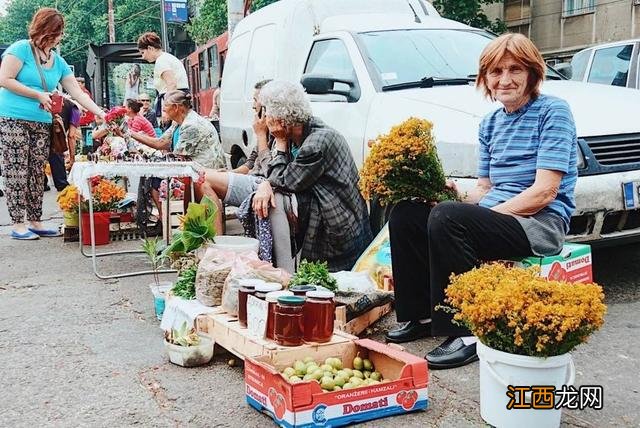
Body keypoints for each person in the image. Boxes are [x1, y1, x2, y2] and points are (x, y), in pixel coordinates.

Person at [384, 33, 578, 370]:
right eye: (496, 72)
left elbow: (545, 191)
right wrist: (450, 194)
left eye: (515, 70)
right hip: (500, 216)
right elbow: (485, 188)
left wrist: (480, 215)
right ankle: (422, 314)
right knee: (407, 212)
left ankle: (469, 332)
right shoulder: (490, 123)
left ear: (532, 73)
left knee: (449, 219)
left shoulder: (554, 111)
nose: (505, 80)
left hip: (539, 223)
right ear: (485, 79)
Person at [0, 7, 106, 240]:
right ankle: (18, 224)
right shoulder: (20, 49)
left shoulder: (57, 61)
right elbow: (4, 80)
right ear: (42, 30)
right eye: (54, 33)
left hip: (42, 120)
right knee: (16, 169)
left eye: (59, 33)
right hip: (13, 117)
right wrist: (37, 95)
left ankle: (35, 220)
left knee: (37, 172)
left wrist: (100, 113)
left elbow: (76, 92)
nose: (58, 37)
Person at [251, 80, 373, 272]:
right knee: (265, 194)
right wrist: (267, 182)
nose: (265, 119)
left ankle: (286, 276)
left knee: (278, 200)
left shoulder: (316, 143)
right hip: (328, 212)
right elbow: (274, 176)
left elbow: (284, 181)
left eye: (267, 113)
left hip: (341, 228)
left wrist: (280, 142)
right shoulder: (300, 133)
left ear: (281, 120)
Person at [130, 90, 225, 224]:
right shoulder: (178, 123)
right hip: (190, 167)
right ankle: (168, 222)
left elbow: (177, 157)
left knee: (156, 179)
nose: (163, 110)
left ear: (176, 107)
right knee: (152, 177)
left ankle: (175, 221)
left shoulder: (191, 125)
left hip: (205, 171)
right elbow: (161, 143)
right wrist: (130, 134)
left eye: (166, 106)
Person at [137, 32, 189, 119]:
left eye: (143, 52)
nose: (143, 57)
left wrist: (167, 110)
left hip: (174, 102)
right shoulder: (168, 57)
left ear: (150, 48)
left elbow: (172, 84)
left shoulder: (161, 61)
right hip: (178, 101)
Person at [48, 98, 80, 191]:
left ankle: (42, 183)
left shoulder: (57, 100)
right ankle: (61, 184)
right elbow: (71, 136)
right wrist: (72, 158)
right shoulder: (75, 110)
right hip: (55, 132)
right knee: (56, 151)